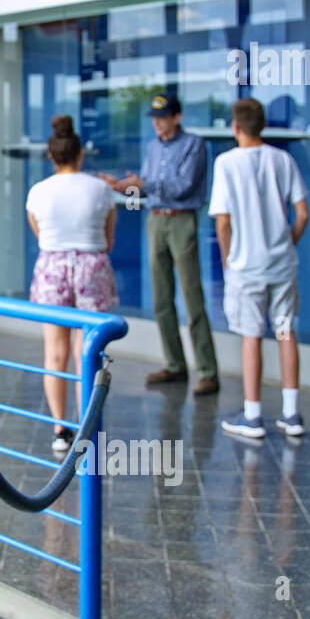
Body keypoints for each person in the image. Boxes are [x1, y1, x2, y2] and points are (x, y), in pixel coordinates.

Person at [99, 93, 220, 395]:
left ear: (177, 117)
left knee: (192, 298)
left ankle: (207, 370)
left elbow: (182, 186)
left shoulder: (194, 145)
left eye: (162, 117)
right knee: (161, 300)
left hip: (181, 220)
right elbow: (149, 185)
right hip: (155, 219)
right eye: (154, 118)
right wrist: (123, 186)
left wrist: (143, 184)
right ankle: (175, 365)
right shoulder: (152, 147)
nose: (156, 123)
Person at [209, 98, 309, 439]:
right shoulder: (283, 159)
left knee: (251, 336)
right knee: (285, 332)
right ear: (262, 126)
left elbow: (223, 221)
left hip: (246, 266)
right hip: (281, 264)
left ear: (235, 128)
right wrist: (287, 244)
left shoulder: (226, 163)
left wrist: (227, 258)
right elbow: (303, 213)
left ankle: (253, 415)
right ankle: (292, 414)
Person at [26, 116, 118, 452]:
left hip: (52, 265)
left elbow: (41, 238)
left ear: (52, 157)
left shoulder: (37, 192)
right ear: (80, 154)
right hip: (92, 264)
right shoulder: (101, 189)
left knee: (55, 353)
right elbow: (108, 241)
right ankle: (86, 427)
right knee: (87, 351)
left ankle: (59, 431)